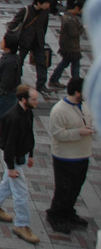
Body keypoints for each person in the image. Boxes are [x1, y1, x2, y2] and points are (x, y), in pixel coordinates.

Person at [0, 85, 40, 245]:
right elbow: (8, 145)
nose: (37, 102)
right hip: (13, 158)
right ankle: (21, 224)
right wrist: (11, 168)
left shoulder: (27, 112)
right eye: (34, 99)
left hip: (20, 155)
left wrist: (31, 154)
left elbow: (30, 133)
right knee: (21, 193)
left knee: (7, 184)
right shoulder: (13, 117)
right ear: (23, 99)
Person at [45, 77, 94, 234]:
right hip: (65, 157)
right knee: (64, 188)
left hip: (83, 155)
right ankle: (55, 215)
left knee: (76, 187)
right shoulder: (59, 110)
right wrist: (79, 132)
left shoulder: (85, 105)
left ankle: (68, 211)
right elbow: (57, 134)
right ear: (77, 92)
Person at [8, 0, 52, 93]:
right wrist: (11, 38)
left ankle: (41, 84)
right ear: (39, 3)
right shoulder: (25, 10)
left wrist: (42, 38)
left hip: (38, 41)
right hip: (25, 41)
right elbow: (13, 24)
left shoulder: (45, 12)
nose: (48, 5)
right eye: (46, 3)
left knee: (41, 62)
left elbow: (44, 26)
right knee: (19, 61)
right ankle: (16, 81)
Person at [49, 0, 84, 86]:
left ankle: (54, 79)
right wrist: (82, 29)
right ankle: (76, 84)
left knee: (65, 63)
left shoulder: (67, 16)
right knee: (75, 66)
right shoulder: (70, 20)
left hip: (67, 46)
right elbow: (73, 33)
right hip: (71, 47)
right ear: (76, 8)